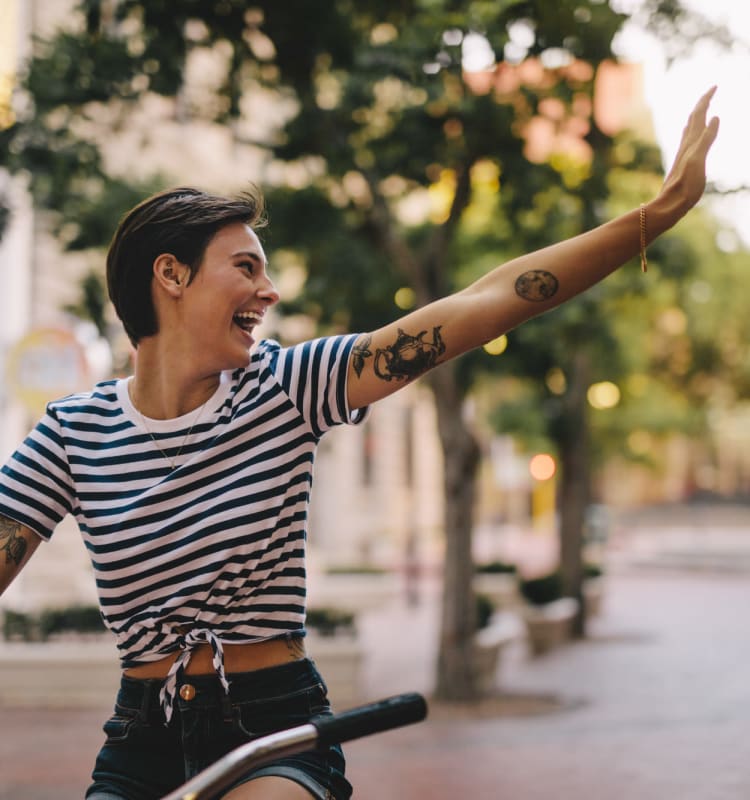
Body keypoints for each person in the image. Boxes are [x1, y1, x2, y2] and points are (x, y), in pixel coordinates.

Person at [0, 88, 719, 799]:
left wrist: (653, 217)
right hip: (142, 740)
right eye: (246, 267)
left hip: (274, 730)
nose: (270, 291)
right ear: (171, 274)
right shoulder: (72, 432)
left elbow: (483, 302)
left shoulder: (290, 385)